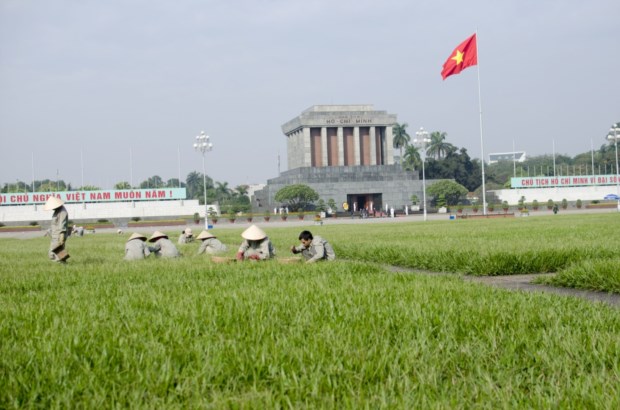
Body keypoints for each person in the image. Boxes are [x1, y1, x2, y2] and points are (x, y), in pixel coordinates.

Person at [43, 196, 70, 263]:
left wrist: (61, 237)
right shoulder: (57, 211)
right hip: (55, 236)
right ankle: (64, 265)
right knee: (60, 254)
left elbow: (62, 225)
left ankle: (59, 265)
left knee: (52, 254)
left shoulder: (62, 212)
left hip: (59, 236)